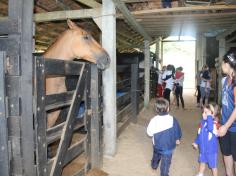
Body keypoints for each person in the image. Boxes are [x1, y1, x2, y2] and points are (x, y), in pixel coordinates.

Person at [147, 98, 182, 176]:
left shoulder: (153, 120)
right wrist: (177, 139)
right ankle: (164, 174)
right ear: (168, 108)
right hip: (168, 147)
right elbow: (177, 130)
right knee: (166, 163)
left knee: (156, 156)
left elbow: (149, 133)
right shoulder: (173, 119)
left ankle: (154, 166)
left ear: (156, 109)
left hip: (157, 145)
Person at [218, 50, 236, 176]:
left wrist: (225, 126)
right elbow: (225, 103)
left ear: (228, 64)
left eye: (222, 63)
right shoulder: (224, 80)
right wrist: (217, 115)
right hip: (224, 125)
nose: (221, 66)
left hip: (233, 127)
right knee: (226, 154)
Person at [192, 104, 220, 176]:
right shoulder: (202, 123)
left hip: (211, 151)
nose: (203, 114)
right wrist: (196, 142)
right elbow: (199, 134)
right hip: (203, 149)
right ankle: (201, 173)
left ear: (212, 115)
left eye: (206, 112)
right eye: (203, 112)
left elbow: (210, 128)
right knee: (202, 162)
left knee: (213, 166)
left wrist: (209, 116)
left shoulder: (214, 124)